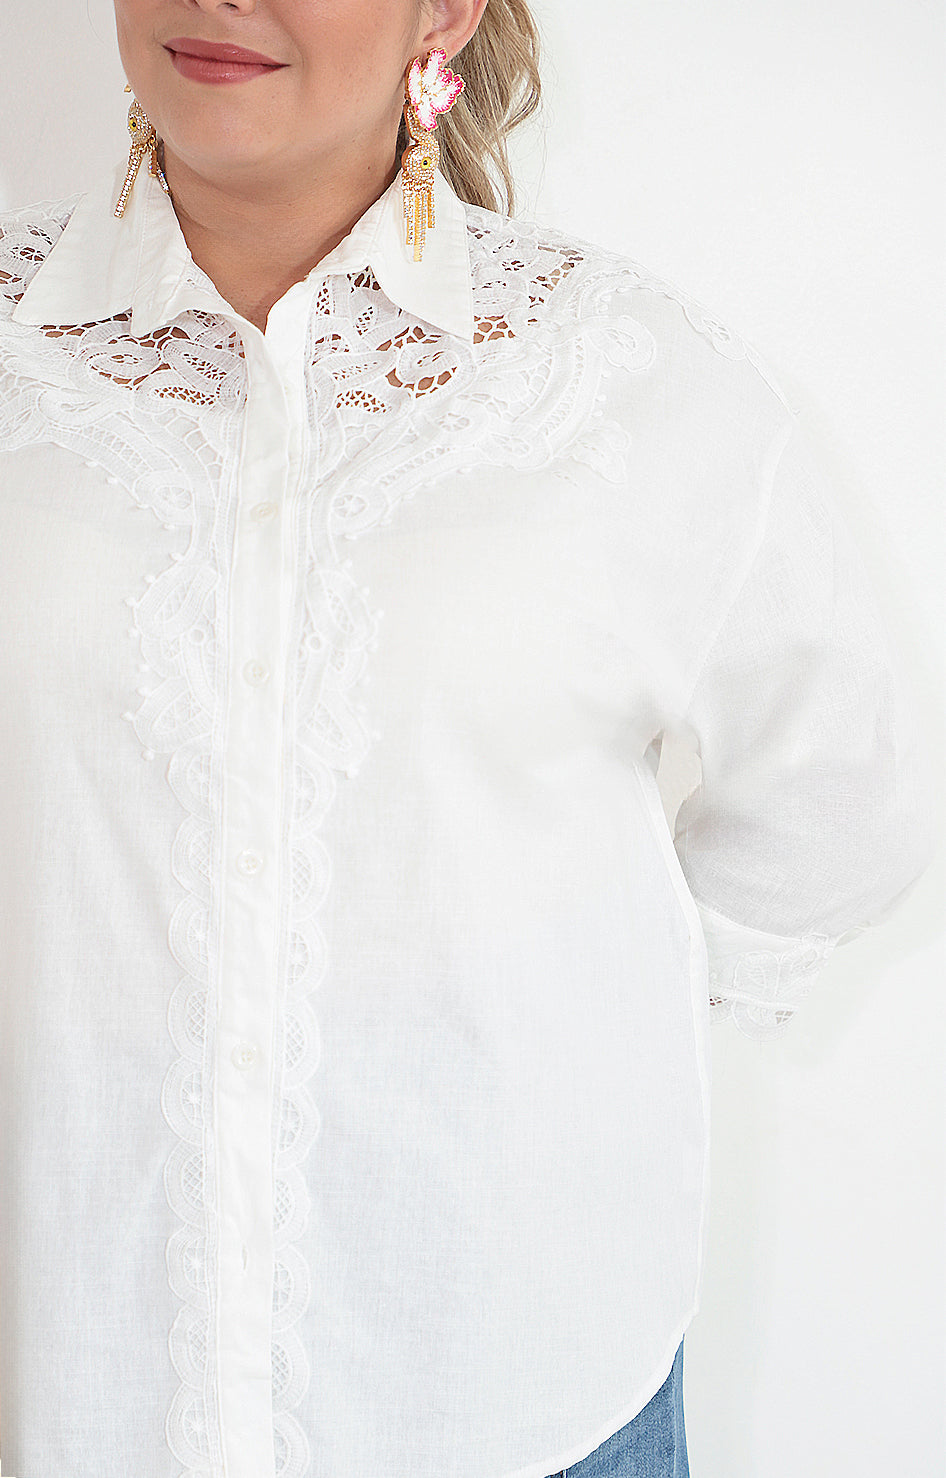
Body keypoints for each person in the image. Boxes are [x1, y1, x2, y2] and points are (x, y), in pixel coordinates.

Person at [0, 1, 932, 1475]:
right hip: (62, 1381)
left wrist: (531, 1017)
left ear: (444, 7)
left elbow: (832, 797)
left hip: (510, 1393)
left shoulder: (629, 386)